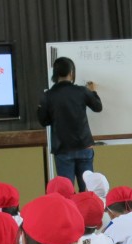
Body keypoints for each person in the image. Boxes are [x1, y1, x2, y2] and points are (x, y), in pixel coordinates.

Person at [38, 57, 102, 191]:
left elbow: (43, 121)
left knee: (66, 191)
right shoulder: (81, 91)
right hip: (84, 145)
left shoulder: (48, 96)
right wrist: (92, 91)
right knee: (88, 190)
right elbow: (98, 107)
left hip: (63, 148)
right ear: (72, 73)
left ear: (55, 74)